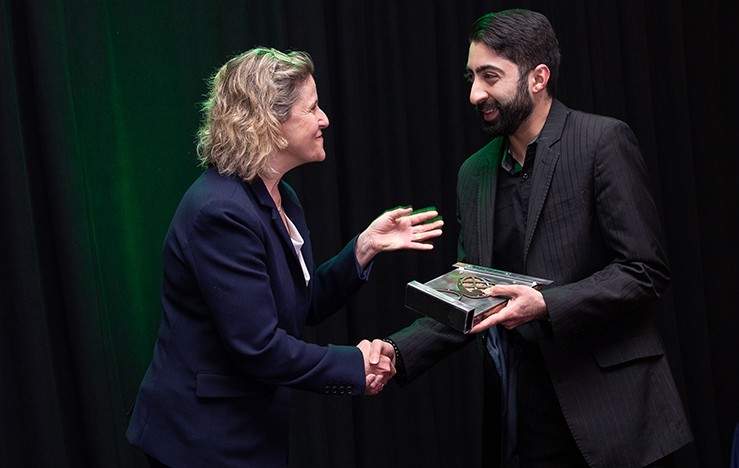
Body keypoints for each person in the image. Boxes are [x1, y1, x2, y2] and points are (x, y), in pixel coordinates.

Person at [370, 9, 693, 468]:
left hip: (618, 415)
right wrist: (395, 354)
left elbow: (644, 270)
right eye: (471, 77)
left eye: (490, 76)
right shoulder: (474, 172)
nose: (475, 93)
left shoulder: (602, 141)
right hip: (525, 416)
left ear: (538, 77)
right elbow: (470, 296)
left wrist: (546, 305)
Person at [125, 47, 443, 467]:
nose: (324, 119)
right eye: (312, 109)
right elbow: (258, 347)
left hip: (246, 432)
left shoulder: (281, 196)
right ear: (269, 125)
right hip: (202, 442)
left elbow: (301, 303)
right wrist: (354, 364)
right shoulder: (220, 210)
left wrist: (364, 248)